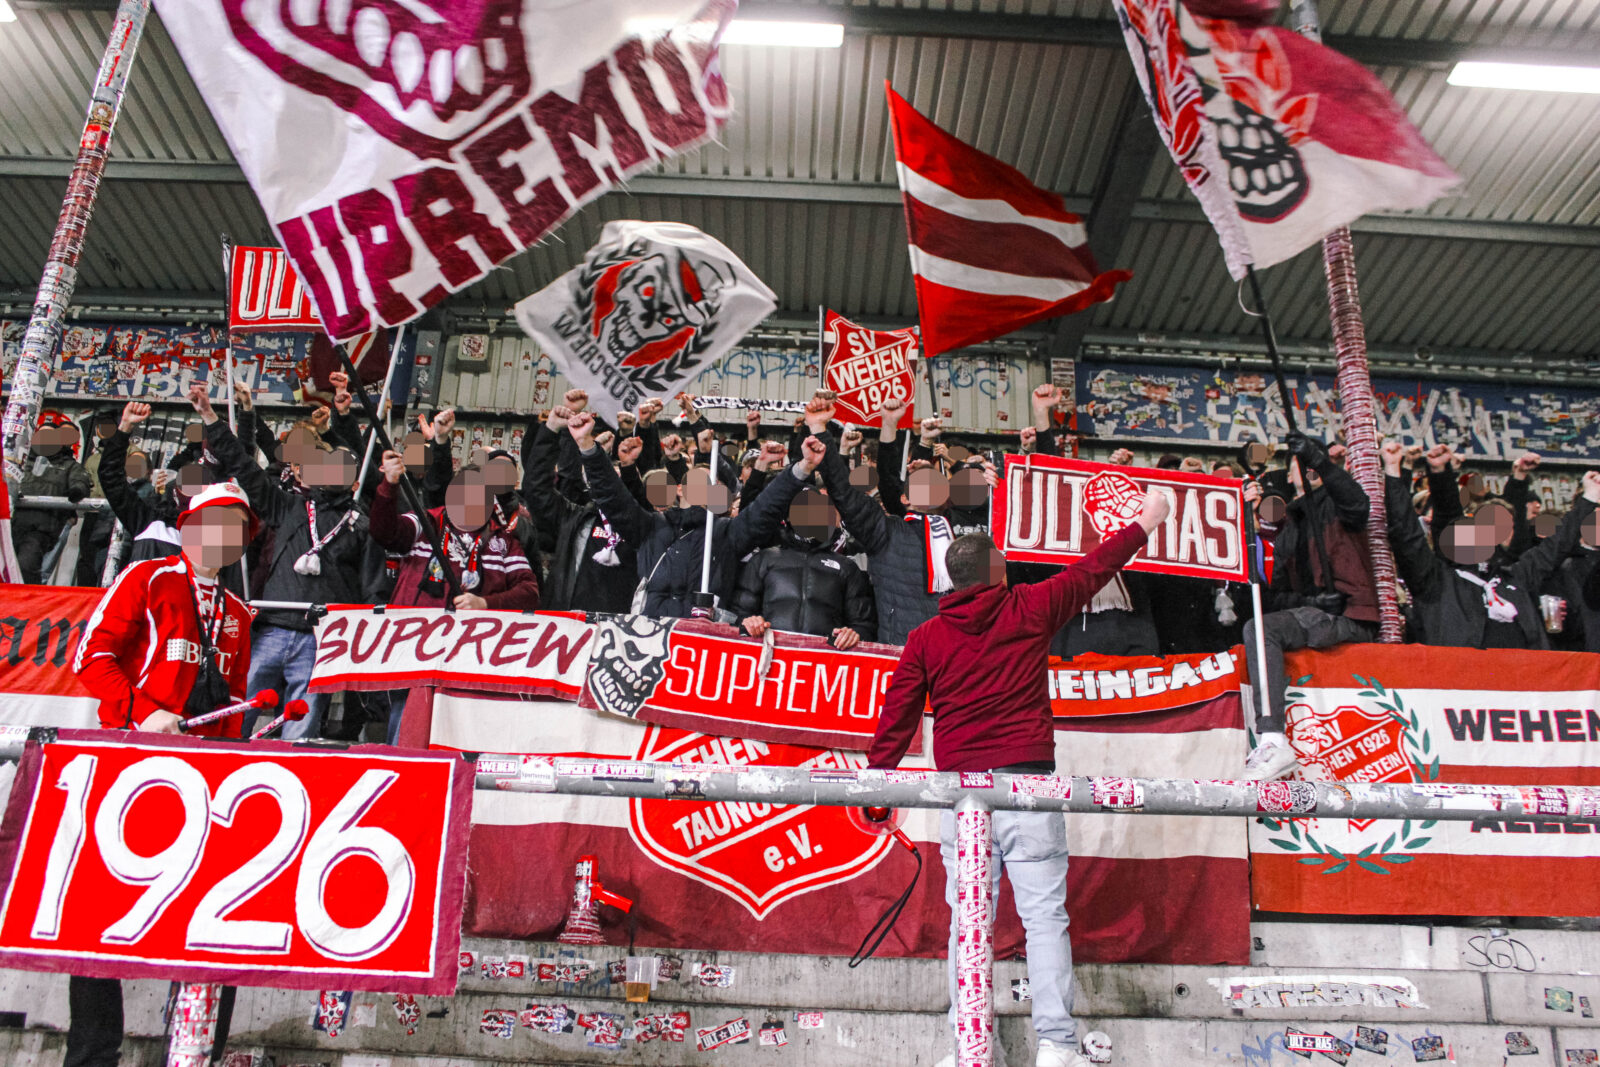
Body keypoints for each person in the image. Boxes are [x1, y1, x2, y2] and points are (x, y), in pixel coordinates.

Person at [868, 489, 1172, 1067]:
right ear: (1000, 570)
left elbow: (896, 718)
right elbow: (1094, 568)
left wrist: (878, 790)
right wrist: (1145, 523)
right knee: (1044, 921)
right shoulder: (1030, 605)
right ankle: (1056, 1048)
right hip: (1028, 790)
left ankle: (969, 1045)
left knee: (968, 925)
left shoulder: (926, 638)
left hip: (962, 796)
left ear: (948, 580)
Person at [69, 480, 257, 1067]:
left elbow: (234, 698)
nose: (225, 536)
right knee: (98, 919)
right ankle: (94, 1055)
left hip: (205, 787)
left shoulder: (238, 613)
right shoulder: (146, 578)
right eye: (216, 521)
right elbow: (89, 657)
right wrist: (144, 713)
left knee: (212, 924)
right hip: (132, 772)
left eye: (239, 528)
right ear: (190, 525)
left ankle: (199, 1051)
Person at [195, 384, 372, 739]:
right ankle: (217, 760)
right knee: (237, 710)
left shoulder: (361, 522)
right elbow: (245, 468)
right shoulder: (287, 506)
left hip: (320, 639)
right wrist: (212, 419)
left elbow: (370, 586)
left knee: (301, 727)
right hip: (272, 627)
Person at [567, 410, 814, 618]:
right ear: (679, 489)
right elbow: (613, 497)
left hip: (702, 648)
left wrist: (802, 468)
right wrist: (587, 446)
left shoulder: (727, 533)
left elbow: (766, 509)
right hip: (648, 641)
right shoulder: (649, 526)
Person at [369, 446, 540, 743]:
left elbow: (529, 592)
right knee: (406, 736)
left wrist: (486, 603)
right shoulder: (425, 523)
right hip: (415, 656)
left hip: (473, 662)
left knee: (461, 739)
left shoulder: (503, 540)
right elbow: (384, 532)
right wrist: (389, 486)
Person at [1242, 433, 1379, 781]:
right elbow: (1276, 597)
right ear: (1288, 477)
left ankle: (1272, 737)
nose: (1303, 467)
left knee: (1262, 629)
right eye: (1297, 463)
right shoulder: (1291, 524)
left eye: (1307, 461)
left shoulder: (1336, 505)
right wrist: (1311, 601)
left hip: (1352, 616)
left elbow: (1357, 503)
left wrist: (1321, 461)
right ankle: (1272, 739)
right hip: (1317, 614)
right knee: (1260, 624)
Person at [1382, 440, 1600, 649]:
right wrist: (1394, 473)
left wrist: (1590, 497)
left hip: (1528, 680)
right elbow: (1406, 534)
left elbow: (1556, 546)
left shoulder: (1516, 576)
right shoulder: (1436, 582)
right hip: (1466, 682)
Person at [732, 487, 878, 647]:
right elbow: (737, 615)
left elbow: (864, 626)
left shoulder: (847, 568)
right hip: (769, 661)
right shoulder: (763, 560)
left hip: (824, 664)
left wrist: (853, 635)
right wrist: (748, 622)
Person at [11, 419, 93, 583]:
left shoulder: (69, 465)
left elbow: (81, 483)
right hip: (10, 523)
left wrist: (76, 491)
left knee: (26, 565)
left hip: (41, 528)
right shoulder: (20, 460)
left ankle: (27, 601)